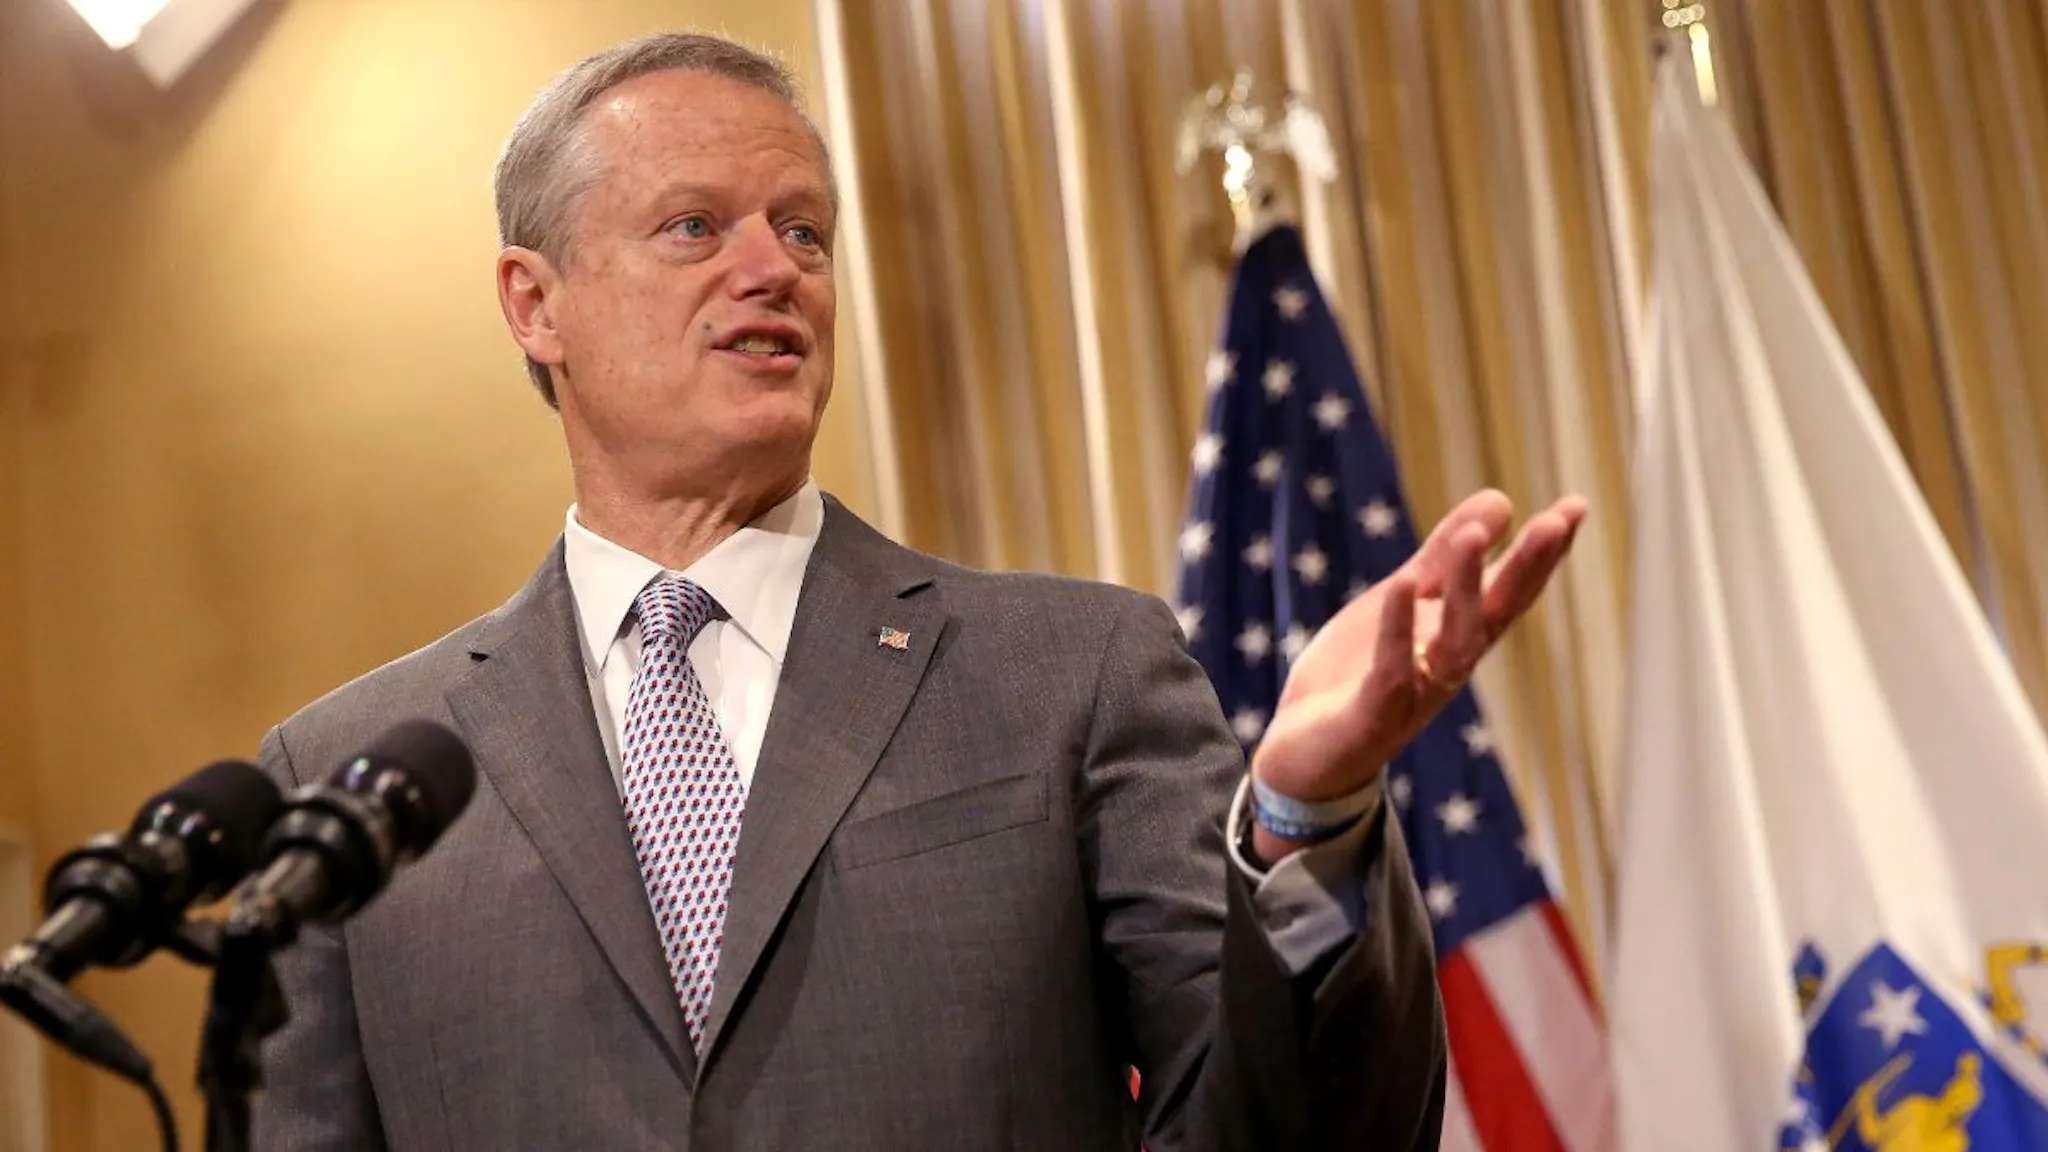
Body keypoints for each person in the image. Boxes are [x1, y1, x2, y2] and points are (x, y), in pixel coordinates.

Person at [249, 30, 1586, 1151]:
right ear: (534, 305)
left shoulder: (1074, 673)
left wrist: (1307, 813)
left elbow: (1289, 1129)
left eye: (805, 233)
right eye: (694, 226)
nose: (773, 269)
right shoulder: (350, 779)